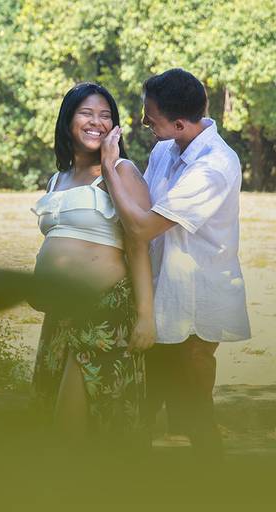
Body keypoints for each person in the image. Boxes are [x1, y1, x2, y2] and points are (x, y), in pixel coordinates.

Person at [100, 68, 251, 456]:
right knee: (151, 395)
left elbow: (143, 226)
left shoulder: (214, 166)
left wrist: (109, 167)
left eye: (151, 115)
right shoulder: (165, 148)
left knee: (193, 396)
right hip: (161, 287)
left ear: (181, 123)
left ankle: (210, 477)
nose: (144, 120)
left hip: (197, 295)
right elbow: (141, 205)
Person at [30, 82, 156, 441]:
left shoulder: (123, 172)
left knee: (76, 422)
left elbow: (138, 245)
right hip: (60, 315)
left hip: (104, 314)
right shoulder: (59, 178)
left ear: (115, 127)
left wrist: (146, 316)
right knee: (52, 416)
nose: (96, 122)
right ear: (68, 120)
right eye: (87, 113)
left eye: (105, 116)